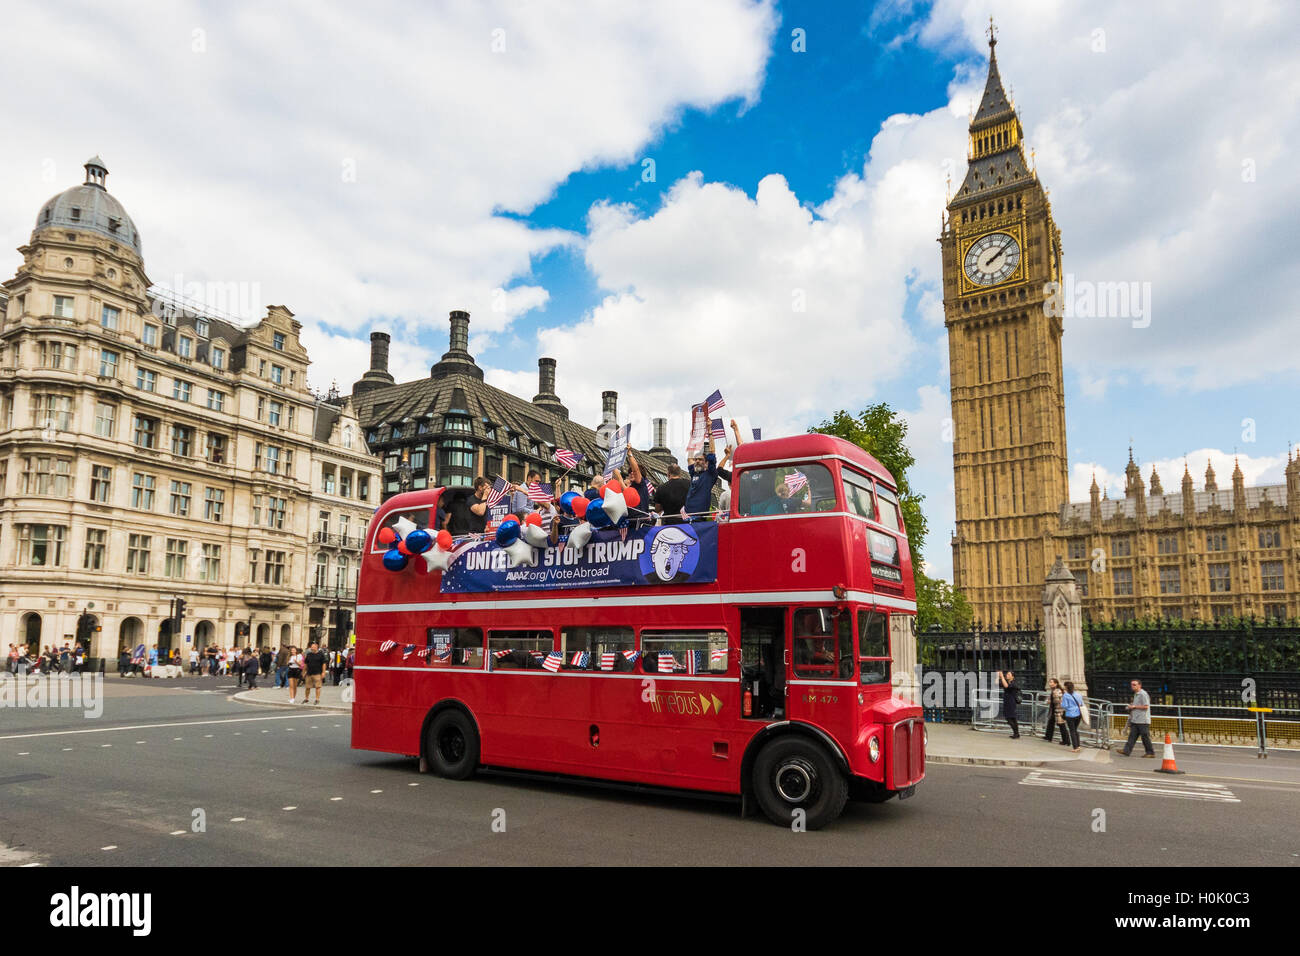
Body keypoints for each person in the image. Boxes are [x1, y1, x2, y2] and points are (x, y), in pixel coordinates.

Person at [684, 437, 718, 522]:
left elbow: (712, 453)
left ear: (706, 463)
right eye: (696, 459)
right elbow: (689, 459)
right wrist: (692, 438)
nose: (697, 461)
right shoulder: (694, 473)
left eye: (700, 459)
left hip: (700, 517)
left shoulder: (710, 474)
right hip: (687, 516)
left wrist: (710, 433)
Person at [1119, 678, 1155, 757]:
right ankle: (1126, 750)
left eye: (1134, 685)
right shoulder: (1136, 694)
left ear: (1139, 685)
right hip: (1136, 719)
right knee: (1132, 736)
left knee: (1145, 737)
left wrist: (1134, 706)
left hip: (1143, 720)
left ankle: (1150, 752)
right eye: (1131, 685)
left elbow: (1146, 706)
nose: (1132, 686)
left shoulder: (1143, 694)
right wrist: (1131, 706)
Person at [302, 641, 328, 705]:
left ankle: (317, 699)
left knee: (318, 687)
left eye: (313, 647)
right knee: (307, 687)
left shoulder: (321, 654)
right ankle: (306, 698)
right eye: (311, 647)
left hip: (317, 673)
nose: (312, 648)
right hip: (309, 673)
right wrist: (303, 672)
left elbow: (324, 664)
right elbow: (305, 664)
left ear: (317, 647)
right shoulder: (309, 654)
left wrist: (323, 672)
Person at [1061, 680, 1084, 753]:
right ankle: (1078, 745)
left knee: (1072, 731)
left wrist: (1061, 703)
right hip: (1078, 714)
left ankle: (1075, 747)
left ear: (1066, 687)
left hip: (1070, 714)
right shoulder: (1078, 695)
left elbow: (1065, 706)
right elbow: (1081, 704)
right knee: (1075, 730)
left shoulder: (1065, 695)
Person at [998, 670, 1021, 738]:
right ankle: (1016, 733)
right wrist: (998, 677)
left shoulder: (1014, 683)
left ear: (1012, 676)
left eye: (1008, 674)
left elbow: (1007, 686)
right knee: (1012, 718)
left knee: (1010, 718)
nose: (1006, 675)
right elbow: (997, 684)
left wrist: (1002, 677)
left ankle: (1016, 733)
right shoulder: (1006, 681)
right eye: (1006, 674)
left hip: (1011, 702)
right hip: (1007, 701)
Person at [1044, 677, 1065, 744]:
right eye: (1049, 682)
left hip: (1058, 710)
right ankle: (1048, 736)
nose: (1050, 683)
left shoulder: (1056, 691)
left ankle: (1066, 740)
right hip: (1054, 709)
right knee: (1051, 722)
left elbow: (1057, 701)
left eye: (1051, 682)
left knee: (1061, 725)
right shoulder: (1054, 690)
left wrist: (1050, 701)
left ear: (1056, 684)